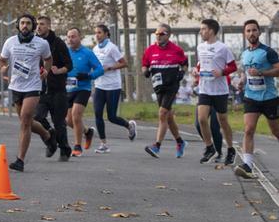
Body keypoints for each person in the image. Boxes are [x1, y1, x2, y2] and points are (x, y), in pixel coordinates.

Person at [234, 19, 279, 179]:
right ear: (245, 34)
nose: (251, 33)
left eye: (254, 30)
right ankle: (247, 165)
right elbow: (246, 73)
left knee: (276, 131)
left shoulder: (268, 52)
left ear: (259, 32)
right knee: (248, 129)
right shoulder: (244, 54)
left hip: (269, 98)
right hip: (251, 97)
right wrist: (242, 81)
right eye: (248, 31)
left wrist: (262, 73)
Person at [0, 13, 52, 172]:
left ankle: (20, 160)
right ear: (18, 25)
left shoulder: (41, 43)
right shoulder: (10, 42)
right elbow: (2, 59)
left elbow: (48, 59)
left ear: (33, 26)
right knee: (26, 121)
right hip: (16, 86)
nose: (25, 26)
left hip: (33, 86)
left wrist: (46, 71)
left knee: (25, 120)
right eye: (22, 23)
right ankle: (47, 135)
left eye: (28, 23)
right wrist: (3, 70)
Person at [142, 23, 187, 158]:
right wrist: (145, 71)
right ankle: (180, 142)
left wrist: (182, 72)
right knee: (168, 117)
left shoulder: (176, 50)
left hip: (171, 85)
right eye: (156, 33)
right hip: (159, 86)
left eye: (162, 34)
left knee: (162, 113)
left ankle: (157, 146)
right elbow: (145, 64)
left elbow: (184, 64)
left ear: (169, 35)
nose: (158, 36)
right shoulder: (150, 50)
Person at [194, 18, 237, 166]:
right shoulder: (200, 47)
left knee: (222, 121)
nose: (201, 32)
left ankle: (230, 149)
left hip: (220, 90)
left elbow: (233, 66)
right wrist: (196, 71)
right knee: (201, 119)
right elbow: (200, 64)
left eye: (203, 29)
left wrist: (222, 72)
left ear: (211, 31)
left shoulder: (223, 48)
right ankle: (209, 147)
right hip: (204, 88)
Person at [33, 15, 73, 162]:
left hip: (58, 90)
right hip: (41, 89)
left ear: (48, 26)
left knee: (59, 122)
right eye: (37, 24)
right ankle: (50, 139)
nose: (38, 27)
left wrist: (59, 70)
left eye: (42, 24)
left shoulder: (58, 43)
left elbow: (69, 65)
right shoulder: (33, 43)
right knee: (37, 117)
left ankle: (65, 150)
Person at [91, 23, 136, 153]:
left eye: (99, 33)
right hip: (99, 85)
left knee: (111, 117)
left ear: (106, 34)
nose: (97, 35)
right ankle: (103, 144)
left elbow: (124, 63)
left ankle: (129, 125)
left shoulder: (112, 48)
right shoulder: (95, 49)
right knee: (97, 114)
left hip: (113, 86)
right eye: (96, 33)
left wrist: (110, 67)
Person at [64, 27, 103, 156]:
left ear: (80, 38)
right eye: (69, 37)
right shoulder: (65, 52)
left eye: (73, 36)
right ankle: (87, 131)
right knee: (69, 120)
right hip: (68, 89)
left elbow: (100, 69)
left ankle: (77, 146)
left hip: (83, 88)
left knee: (76, 115)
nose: (71, 39)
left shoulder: (87, 53)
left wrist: (88, 75)